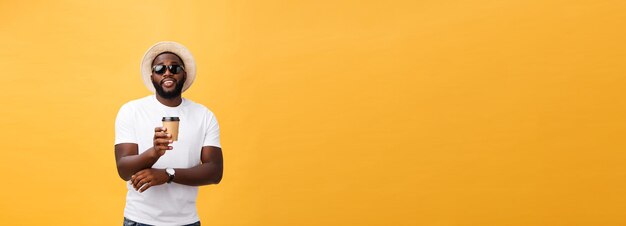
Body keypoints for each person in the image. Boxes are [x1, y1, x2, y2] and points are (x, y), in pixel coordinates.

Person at [114, 41, 223, 226]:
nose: (167, 72)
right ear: (152, 76)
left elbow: (214, 171)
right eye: (159, 68)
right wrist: (154, 152)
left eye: (174, 67)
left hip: (186, 221)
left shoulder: (204, 115)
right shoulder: (131, 110)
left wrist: (168, 174)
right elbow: (124, 169)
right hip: (140, 220)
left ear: (184, 74)